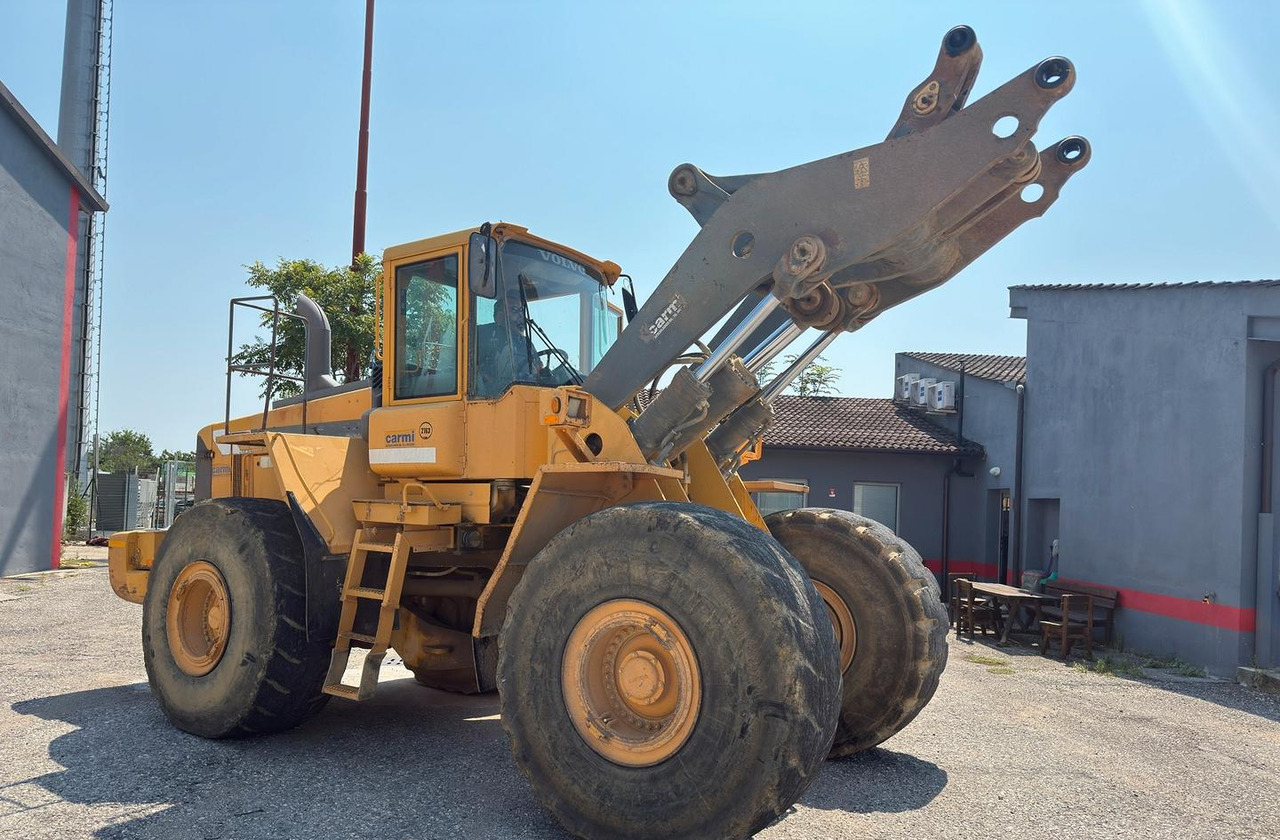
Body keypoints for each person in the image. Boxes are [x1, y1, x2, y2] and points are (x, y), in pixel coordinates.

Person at [475, 291, 540, 396]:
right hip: (493, 396)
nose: (521, 316)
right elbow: (470, 367)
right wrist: (489, 380)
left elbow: (538, 368)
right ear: (499, 315)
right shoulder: (482, 334)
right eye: (514, 310)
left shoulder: (526, 342)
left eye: (521, 311)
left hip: (525, 393)